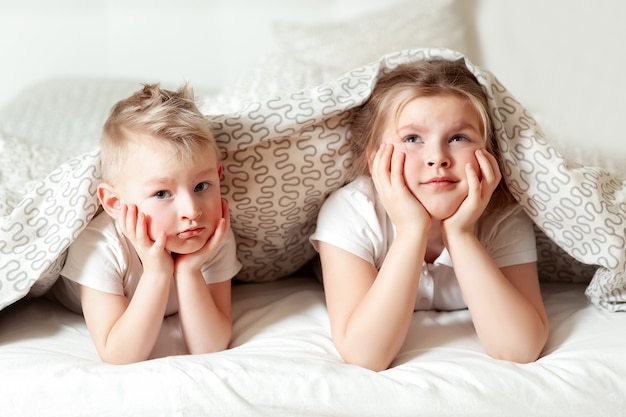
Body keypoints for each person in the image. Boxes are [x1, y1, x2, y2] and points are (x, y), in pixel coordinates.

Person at [310, 58, 549, 371]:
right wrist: (411, 231)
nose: (438, 157)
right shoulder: (352, 211)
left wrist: (460, 234)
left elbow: (520, 347)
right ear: (375, 158)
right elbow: (366, 355)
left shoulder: (501, 215)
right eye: (412, 139)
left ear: (488, 152)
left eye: (458, 138)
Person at [49, 83, 241, 364]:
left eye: (202, 185)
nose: (192, 210)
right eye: (162, 193)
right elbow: (119, 355)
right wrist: (156, 272)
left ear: (218, 175)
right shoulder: (99, 244)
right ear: (115, 203)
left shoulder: (211, 233)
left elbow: (210, 347)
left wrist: (189, 271)